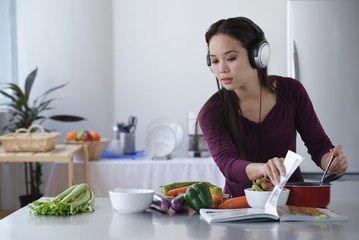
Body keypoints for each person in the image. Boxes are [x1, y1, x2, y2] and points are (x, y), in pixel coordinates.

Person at [195, 16, 348, 197]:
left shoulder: (292, 91)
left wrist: (330, 162)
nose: (221, 69)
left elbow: (318, 145)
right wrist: (263, 168)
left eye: (231, 58)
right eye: (215, 61)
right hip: (238, 210)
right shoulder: (212, 112)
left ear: (257, 55)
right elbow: (228, 164)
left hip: (293, 203)